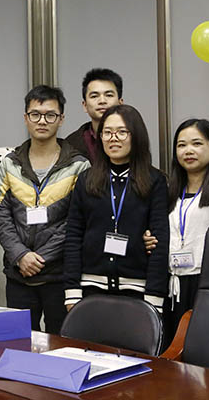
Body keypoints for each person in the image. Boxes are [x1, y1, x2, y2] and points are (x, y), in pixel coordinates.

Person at [0, 85, 90, 334]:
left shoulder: (79, 166)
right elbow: (1, 216)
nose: (42, 121)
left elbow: (76, 221)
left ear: (61, 119)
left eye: (50, 115)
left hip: (60, 275)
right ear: (26, 118)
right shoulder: (9, 164)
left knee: (61, 343)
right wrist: (20, 255)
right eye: (35, 114)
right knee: (20, 342)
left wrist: (41, 258)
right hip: (18, 274)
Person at [63, 104, 169, 313]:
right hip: (90, 288)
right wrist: (72, 291)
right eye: (107, 133)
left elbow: (159, 241)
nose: (113, 138)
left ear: (136, 136)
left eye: (122, 132)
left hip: (137, 290)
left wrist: (155, 297)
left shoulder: (154, 181)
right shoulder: (86, 180)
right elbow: (73, 236)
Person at [164, 118, 209, 344]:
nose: (188, 151)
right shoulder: (169, 190)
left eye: (197, 143)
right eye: (181, 145)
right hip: (171, 282)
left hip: (206, 282)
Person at [65, 68, 123, 163]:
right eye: (94, 96)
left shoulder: (134, 138)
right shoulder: (70, 144)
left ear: (120, 103)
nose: (102, 101)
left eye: (109, 95)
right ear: (85, 105)